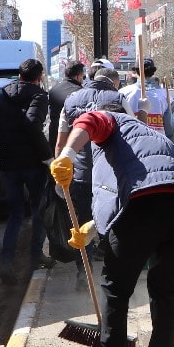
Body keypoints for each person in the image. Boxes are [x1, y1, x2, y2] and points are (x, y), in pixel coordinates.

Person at [51, 107, 174, 347]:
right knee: (166, 290)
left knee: (116, 287)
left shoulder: (114, 122)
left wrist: (66, 155)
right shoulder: (154, 138)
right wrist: (94, 227)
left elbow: (90, 120)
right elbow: (141, 180)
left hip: (141, 208)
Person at [0, 57, 51, 283]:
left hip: (9, 165)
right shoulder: (39, 95)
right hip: (33, 164)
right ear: (39, 77)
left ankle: (6, 262)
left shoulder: (3, 97)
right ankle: (35, 257)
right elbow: (33, 124)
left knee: (14, 215)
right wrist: (48, 157)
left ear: (20, 75)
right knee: (38, 210)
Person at [56, 63, 123, 230]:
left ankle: (84, 255)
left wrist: (59, 175)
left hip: (81, 173)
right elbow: (131, 134)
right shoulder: (119, 99)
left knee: (83, 223)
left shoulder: (70, 100)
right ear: (114, 83)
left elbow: (60, 142)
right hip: (110, 173)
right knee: (110, 220)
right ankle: (105, 253)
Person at [120, 57, 174, 148]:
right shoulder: (165, 96)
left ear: (136, 71)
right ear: (153, 72)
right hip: (159, 146)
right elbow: (169, 128)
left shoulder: (124, 93)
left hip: (132, 146)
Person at [47, 61, 86, 152]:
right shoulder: (81, 92)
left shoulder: (53, 90)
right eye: (82, 76)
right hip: (73, 140)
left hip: (54, 137)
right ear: (78, 76)